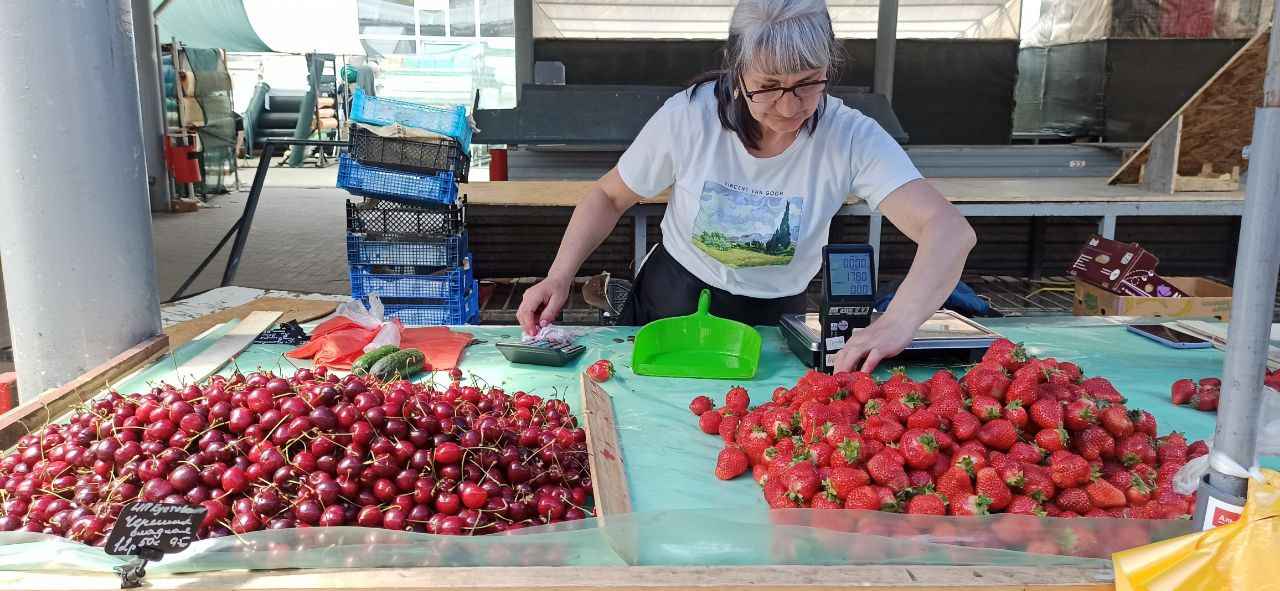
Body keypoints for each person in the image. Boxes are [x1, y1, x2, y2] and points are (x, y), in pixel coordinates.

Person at [517, 0, 976, 373]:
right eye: (768, 86)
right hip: (674, 293)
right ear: (737, 72)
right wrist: (559, 275)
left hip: (777, 312)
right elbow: (609, 195)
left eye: (807, 84)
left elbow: (948, 231)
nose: (788, 106)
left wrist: (897, 322)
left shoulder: (850, 136)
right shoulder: (690, 116)